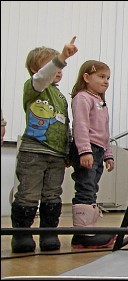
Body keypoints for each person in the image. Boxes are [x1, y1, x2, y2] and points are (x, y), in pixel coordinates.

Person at [10, 37, 77, 253]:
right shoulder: (34, 87)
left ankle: (48, 232)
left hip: (56, 155)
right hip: (34, 153)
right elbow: (42, 77)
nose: (59, 68)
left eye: (59, 64)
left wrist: (67, 151)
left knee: (52, 194)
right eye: (53, 63)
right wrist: (62, 57)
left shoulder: (59, 96)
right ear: (35, 69)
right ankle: (21, 235)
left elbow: (64, 123)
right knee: (28, 194)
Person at [69, 59, 116, 249]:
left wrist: (108, 154)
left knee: (92, 189)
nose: (106, 81)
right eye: (101, 77)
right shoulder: (82, 97)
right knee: (86, 188)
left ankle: (89, 228)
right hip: (87, 149)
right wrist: (85, 150)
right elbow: (80, 126)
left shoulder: (100, 102)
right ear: (86, 77)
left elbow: (104, 132)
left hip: (98, 149)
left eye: (108, 78)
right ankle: (82, 235)